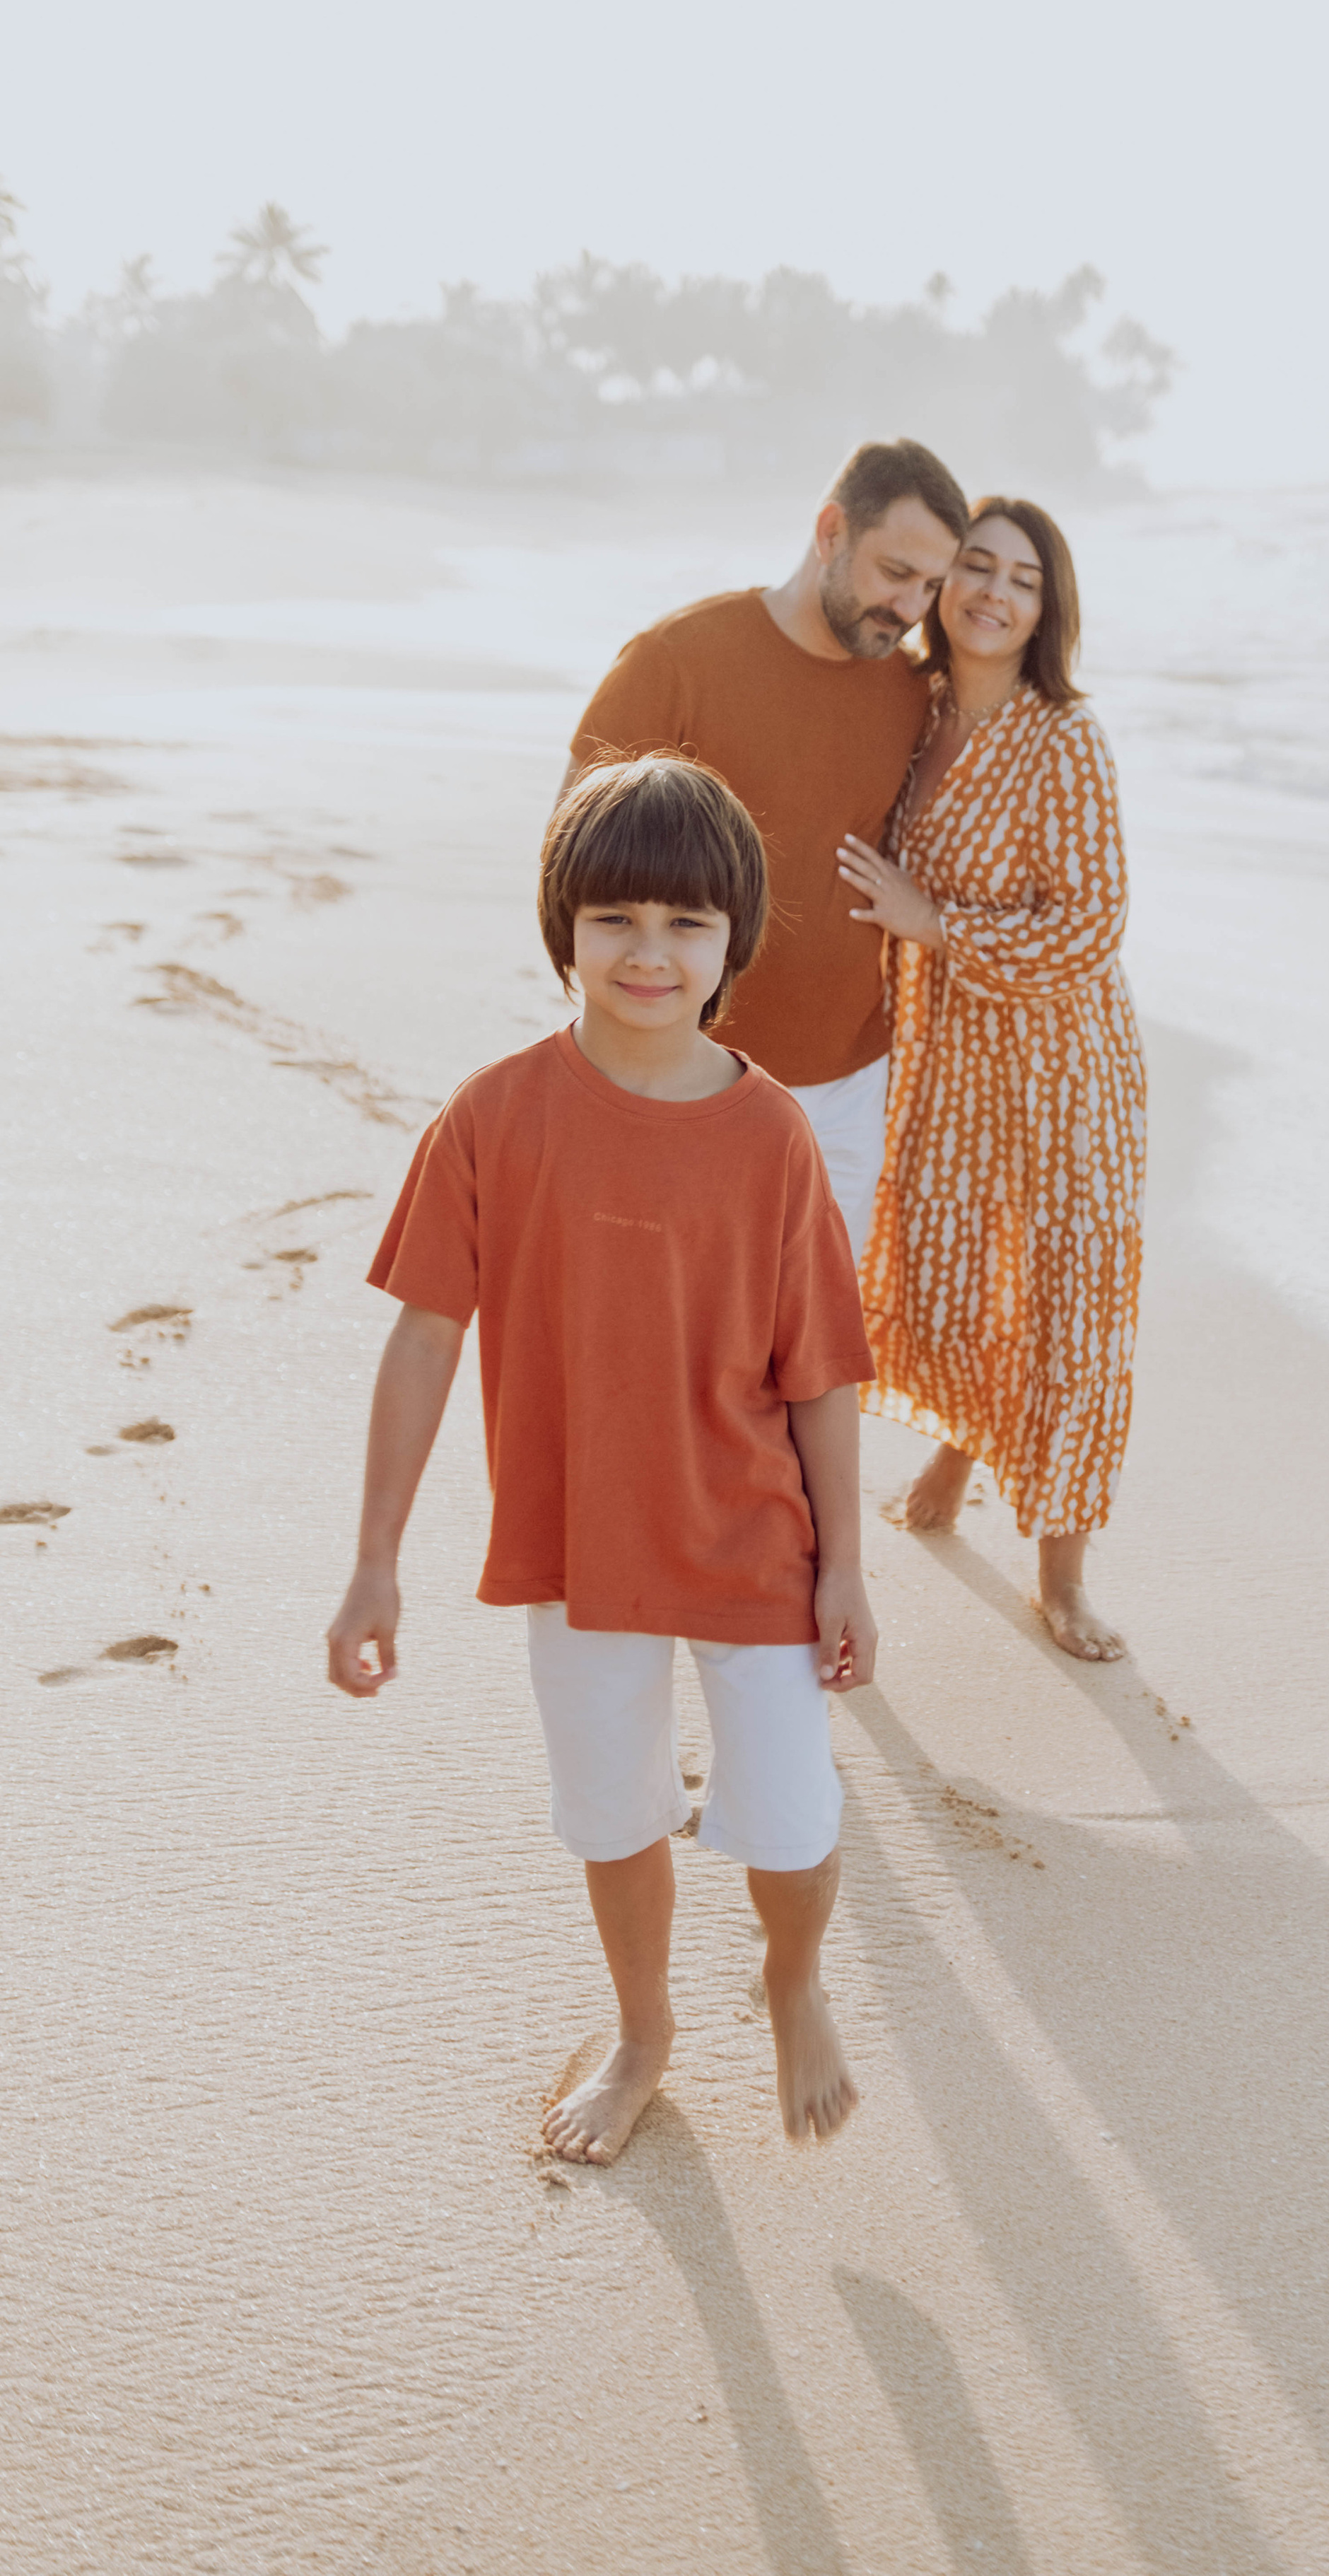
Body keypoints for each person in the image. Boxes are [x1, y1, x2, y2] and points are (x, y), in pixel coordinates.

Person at [326, 756, 879, 2161]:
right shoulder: (494, 1114)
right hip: (576, 1546)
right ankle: (643, 2033)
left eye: (686, 923)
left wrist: (846, 1571)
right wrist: (375, 1563)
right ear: (561, 927)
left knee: (790, 1817)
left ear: (733, 942)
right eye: (614, 919)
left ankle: (792, 1976)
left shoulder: (772, 1135)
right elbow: (424, 1340)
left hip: (754, 1538)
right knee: (614, 1810)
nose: (649, 953)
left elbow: (820, 1375)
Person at [837, 500, 1146, 1662]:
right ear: (944, 583)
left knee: (1065, 1304)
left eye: (1024, 579)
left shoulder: (1062, 737)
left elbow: (1093, 926)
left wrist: (935, 923)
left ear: (1045, 609)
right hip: (952, 1058)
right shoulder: (911, 712)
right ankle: (956, 1454)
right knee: (961, 1275)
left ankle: (1062, 1578)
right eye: (978, 566)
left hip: (1062, 1066)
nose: (995, 593)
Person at [563, 438, 968, 1261]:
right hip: (690, 1077)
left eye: (931, 587)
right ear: (830, 531)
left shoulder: (909, 693)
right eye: (895, 573)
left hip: (850, 1084)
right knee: (676, 1319)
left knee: (816, 1333)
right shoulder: (676, 660)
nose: (910, 608)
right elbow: (570, 866)